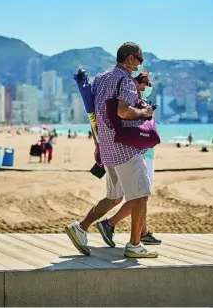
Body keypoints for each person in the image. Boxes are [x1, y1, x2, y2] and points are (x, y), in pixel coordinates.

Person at [65, 42, 158, 258]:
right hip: (126, 148)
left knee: (114, 197)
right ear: (130, 59)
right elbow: (124, 112)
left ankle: (80, 228)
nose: (140, 63)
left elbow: (94, 114)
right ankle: (135, 245)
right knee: (141, 196)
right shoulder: (124, 80)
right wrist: (144, 112)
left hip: (107, 147)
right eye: (140, 59)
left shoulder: (101, 78)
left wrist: (98, 144)